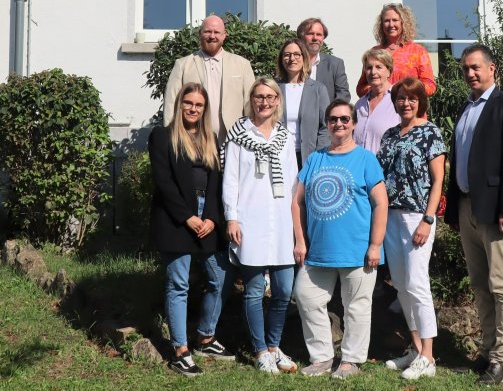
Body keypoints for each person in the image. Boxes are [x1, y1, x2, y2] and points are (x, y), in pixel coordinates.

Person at [444, 44, 503, 385]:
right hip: (467, 207)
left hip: (496, 212)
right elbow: (459, 161)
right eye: (465, 68)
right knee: (480, 284)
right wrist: (453, 209)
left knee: (502, 285)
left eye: (475, 67)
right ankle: (487, 351)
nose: (470, 73)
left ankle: (502, 359)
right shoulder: (466, 108)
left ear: (492, 68)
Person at [291, 99, 388, 380]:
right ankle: (322, 357)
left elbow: (381, 203)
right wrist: (300, 240)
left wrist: (375, 245)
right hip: (318, 250)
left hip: (357, 249)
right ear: (327, 123)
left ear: (354, 123)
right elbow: (297, 202)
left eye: (345, 119)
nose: (339, 124)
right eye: (333, 119)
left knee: (356, 306)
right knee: (306, 297)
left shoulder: (366, 159)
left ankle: (351, 360)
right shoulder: (315, 159)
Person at [148, 82, 237, 377]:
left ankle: (205, 337)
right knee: (179, 284)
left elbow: (215, 182)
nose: (193, 108)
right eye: (188, 103)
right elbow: (163, 181)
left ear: (204, 109)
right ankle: (180, 351)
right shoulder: (162, 136)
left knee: (221, 276)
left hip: (205, 217)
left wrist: (211, 217)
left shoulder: (209, 138)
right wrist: (187, 216)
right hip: (176, 218)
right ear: (179, 104)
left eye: (199, 105)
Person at [222, 78, 299, 374]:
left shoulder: (285, 137)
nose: (264, 102)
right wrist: (232, 217)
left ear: (277, 101)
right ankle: (260, 351)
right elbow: (230, 179)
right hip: (250, 221)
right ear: (251, 100)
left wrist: (297, 226)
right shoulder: (239, 135)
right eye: (259, 96)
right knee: (254, 290)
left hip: (281, 223)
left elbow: (293, 183)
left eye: (270, 97)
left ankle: (274, 346)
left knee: (283, 290)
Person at [376, 77, 446, 380]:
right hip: (391, 216)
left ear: (420, 102)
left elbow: (438, 180)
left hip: (417, 216)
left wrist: (428, 220)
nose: (406, 103)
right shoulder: (390, 135)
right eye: (401, 98)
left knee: (418, 283)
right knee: (402, 285)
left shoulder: (431, 132)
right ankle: (416, 349)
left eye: (411, 98)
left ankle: (429, 356)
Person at [164, 14, 255, 144]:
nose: (212, 36)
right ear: (200, 33)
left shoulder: (242, 65)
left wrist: (252, 136)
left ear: (224, 35)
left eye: (217, 32)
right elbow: (171, 102)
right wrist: (170, 137)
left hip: (234, 139)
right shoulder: (183, 65)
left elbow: (250, 103)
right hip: (193, 139)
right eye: (207, 31)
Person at [355, 3, 436, 98]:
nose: (391, 24)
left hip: (407, 105)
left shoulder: (417, 51)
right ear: (381, 24)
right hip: (380, 105)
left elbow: (430, 86)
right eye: (386, 21)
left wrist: (406, 91)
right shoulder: (374, 52)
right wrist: (380, 90)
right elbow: (361, 88)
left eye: (395, 20)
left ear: (403, 23)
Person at [274, 37, 331, 167]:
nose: (292, 58)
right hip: (279, 156)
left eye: (296, 54)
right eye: (287, 55)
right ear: (281, 59)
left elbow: (326, 126)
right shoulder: (274, 88)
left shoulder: (318, 89)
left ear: (304, 57)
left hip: (309, 157)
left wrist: (319, 156)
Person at [353, 48, 400, 154]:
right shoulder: (359, 105)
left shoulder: (398, 101)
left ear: (389, 71)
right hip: (359, 163)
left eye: (379, 67)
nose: (373, 72)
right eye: (369, 68)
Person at [296, 17, 351, 101]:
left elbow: (343, 95)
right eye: (310, 34)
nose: (315, 38)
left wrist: (331, 109)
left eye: (319, 34)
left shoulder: (335, 64)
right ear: (301, 37)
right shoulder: (292, 63)